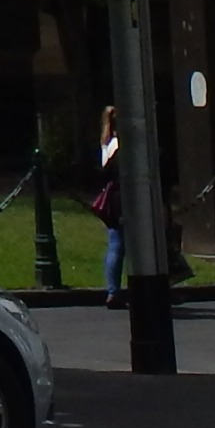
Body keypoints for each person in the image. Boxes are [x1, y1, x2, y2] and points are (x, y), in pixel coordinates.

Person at [91, 105, 124, 308]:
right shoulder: (122, 146)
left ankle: (113, 290)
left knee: (115, 244)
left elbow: (103, 172)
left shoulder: (107, 143)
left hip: (114, 200)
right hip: (125, 198)